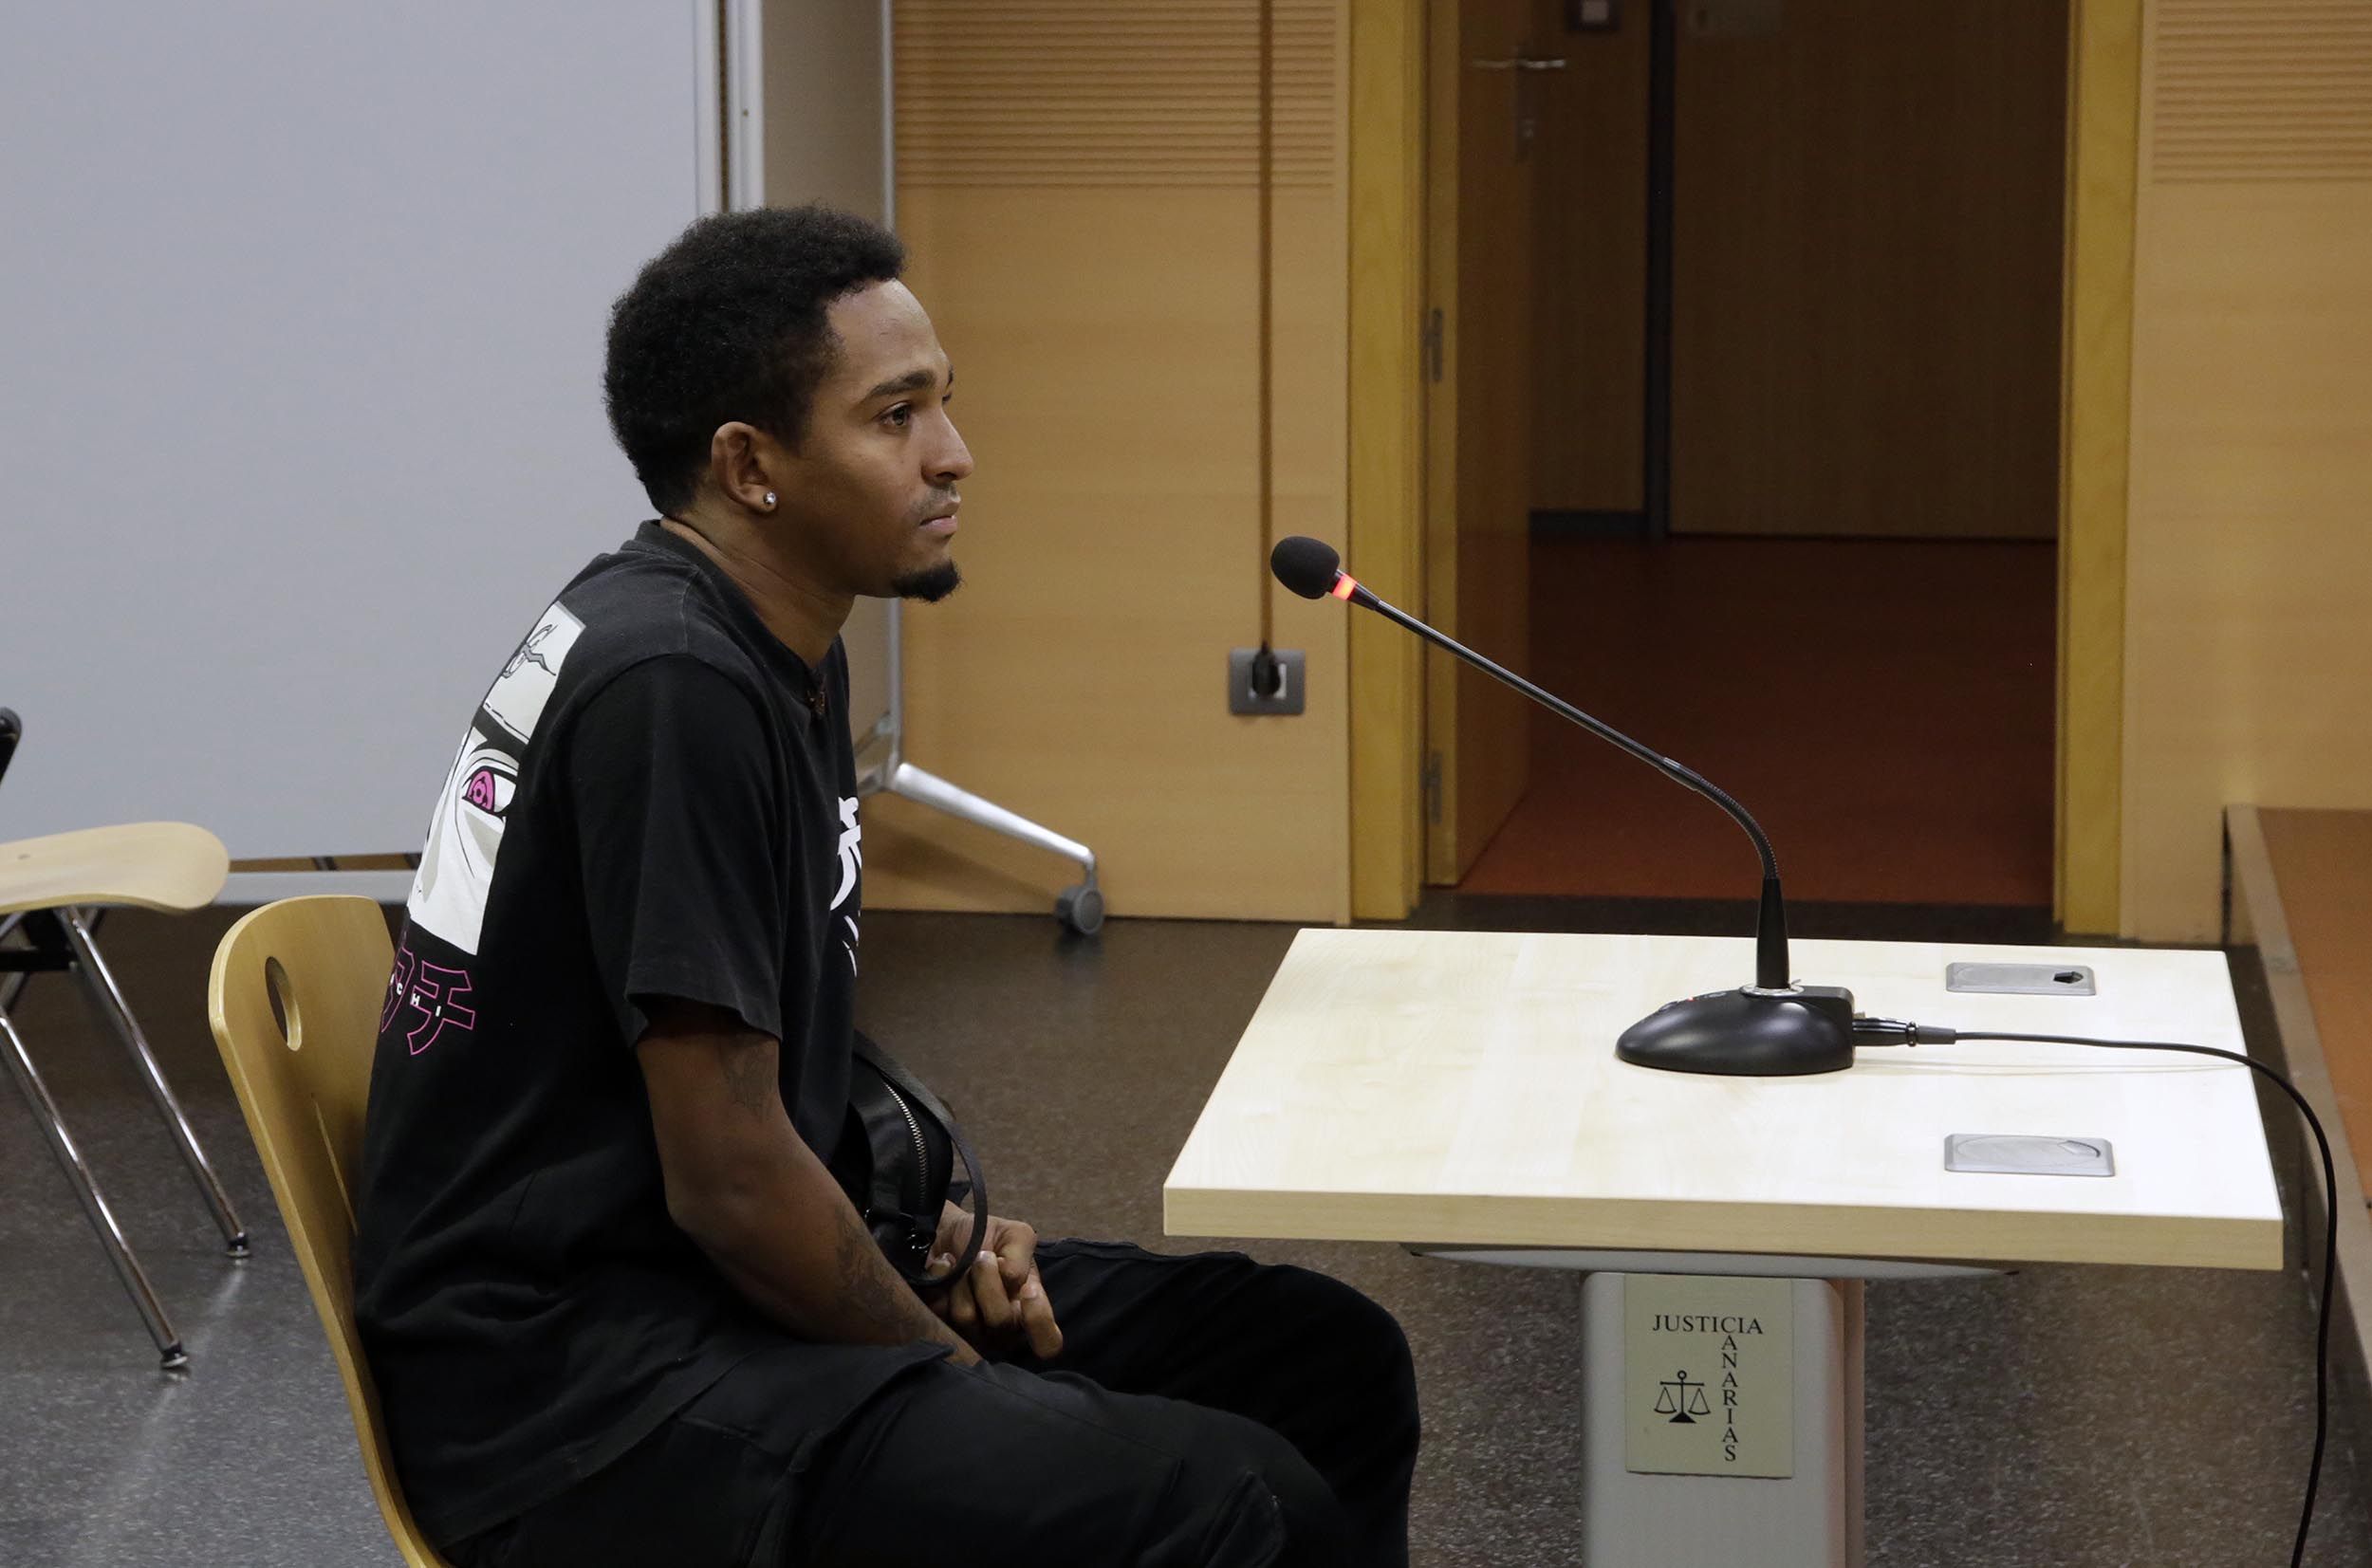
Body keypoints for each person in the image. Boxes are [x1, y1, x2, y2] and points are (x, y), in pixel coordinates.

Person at [353, 204, 1421, 1567]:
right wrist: (962, 1379)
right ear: (751, 465)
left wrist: (933, 1228)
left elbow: (772, 1041)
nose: (952, 454)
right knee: (1225, 1500)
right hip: (578, 1394)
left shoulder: (776, 639)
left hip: (690, 1288)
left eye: (945, 405)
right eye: (895, 416)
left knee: (1327, 1359)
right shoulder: (673, 687)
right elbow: (730, 1177)